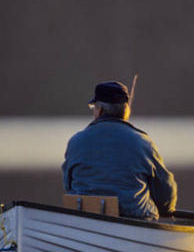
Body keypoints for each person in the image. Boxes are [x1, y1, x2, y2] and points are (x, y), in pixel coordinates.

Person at [62, 81, 177, 219]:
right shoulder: (143, 143)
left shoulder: (76, 141)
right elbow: (165, 195)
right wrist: (166, 210)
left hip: (82, 217)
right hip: (135, 220)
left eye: (94, 107)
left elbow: (68, 185)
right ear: (126, 111)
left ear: (100, 110)